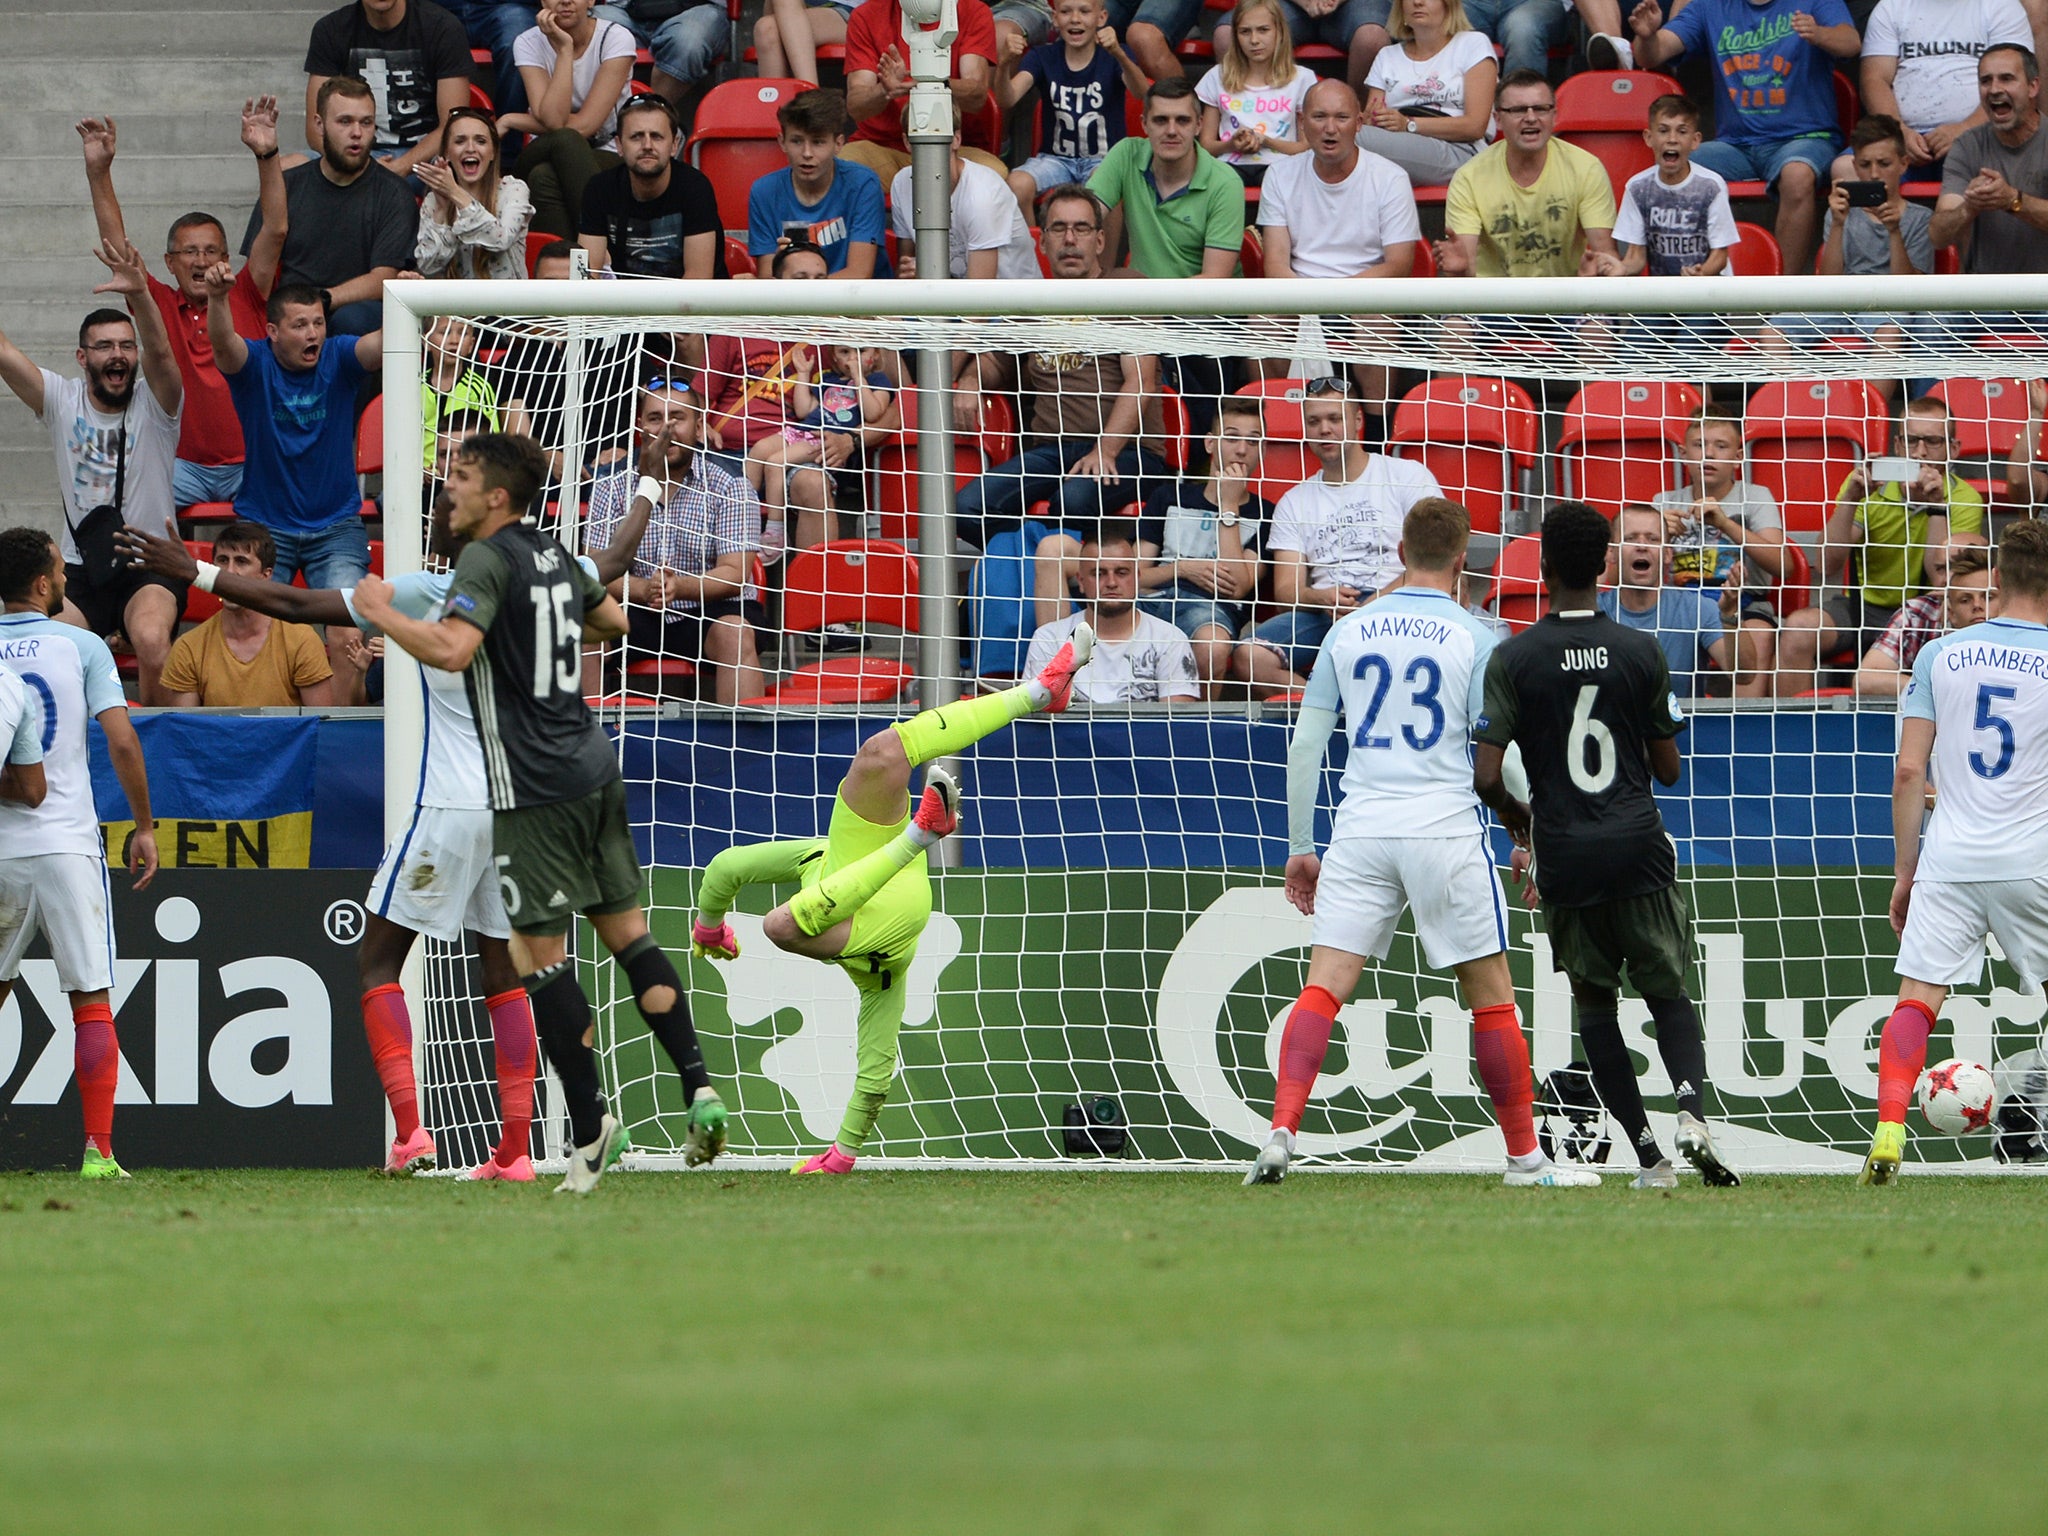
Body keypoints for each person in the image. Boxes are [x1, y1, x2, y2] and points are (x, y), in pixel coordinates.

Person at [118, 464, 663, 1177]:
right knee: (503, 972)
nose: (440, 509)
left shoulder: (424, 592)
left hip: (447, 809)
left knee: (378, 961)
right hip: (517, 810)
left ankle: (412, 1133)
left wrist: (193, 570)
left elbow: (293, 603)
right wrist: (649, 490)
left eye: (449, 501)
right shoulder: (550, 579)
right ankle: (513, 1153)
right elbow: (618, 560)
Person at [351, 433, 731, 1194]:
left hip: (521, 786)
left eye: (458, 480)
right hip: (594, 764)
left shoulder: (475, 569)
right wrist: (650, 493)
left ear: (494, 495)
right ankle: (698, 1084)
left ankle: (586, 1127)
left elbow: (454, 651)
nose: (448, 494)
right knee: (624, 937)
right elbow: (617, 619)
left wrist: (375, 612)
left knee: (538, 962)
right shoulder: (554, 557)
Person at [1244, 498, 1603, 1189]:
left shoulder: (1348, 633)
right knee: (1491, 996)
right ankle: (1525, 1158)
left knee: (1323, 989)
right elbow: (1507, 752)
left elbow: (1307, 743)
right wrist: (1529, 833)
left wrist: (1299, 845)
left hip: (1363, 828)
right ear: (1463, 558)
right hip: (1443, 827)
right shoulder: (1475, 636)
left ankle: (1282, 1130)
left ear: (1400, 552)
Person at [689, 623, 1103, 1174]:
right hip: (892, 918)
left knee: (882, 751)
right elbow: (876, 1059)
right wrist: (843, 1153)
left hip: (874, 858)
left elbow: (724, 867)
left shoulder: (817, 855)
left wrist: (709, 926)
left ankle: (1038, 692)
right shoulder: (881, 974)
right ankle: (922, 836)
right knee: (779, 927)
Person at [1473, 501, 1741, 1190]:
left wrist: (1517, 814)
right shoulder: (1640, 650)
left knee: (1596, 1007)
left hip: (1565, 850)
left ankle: (1649, 1157)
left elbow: (1483, 774)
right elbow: (1668, 769)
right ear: (1605, 566)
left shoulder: (1512, 657)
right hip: (1637, 844)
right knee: (1668, 993)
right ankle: (1691, 1114)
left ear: (1543, 567)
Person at [1861, 519, 2048, 1184]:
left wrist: (1907, 872)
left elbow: (1909, 773)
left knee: (1916, 999)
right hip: (2033, 858)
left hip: (1949, 857)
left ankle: (1888, 1128)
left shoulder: (1941, 655)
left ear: (1997, 580)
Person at [0, 528, 159, 1181]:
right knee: (90, 998)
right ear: (43, 583)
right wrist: (143, 825)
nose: (65, 576)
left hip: (2, 847)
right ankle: (98, 1152)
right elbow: (121, 741)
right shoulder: (82, 646)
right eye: (60, 570)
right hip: (66, 842)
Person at [78, 99, 288, 512]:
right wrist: (98, 172)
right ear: (170, 263)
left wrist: (266, 153)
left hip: (251, 462)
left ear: (227, 259)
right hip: (181, 467)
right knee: (129, 513)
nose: (202, 260)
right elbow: (117, 247)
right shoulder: (155, 301)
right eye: (189, 252)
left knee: (282, 525)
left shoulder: (247, 292)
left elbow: (276, 228)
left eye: (212, 251)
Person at [0, 245, 185, 705]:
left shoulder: (157, 403)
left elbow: (162, 351)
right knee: (40, 646)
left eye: (126, 345)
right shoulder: (61, 400)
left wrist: (141, 294)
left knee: (150, 637)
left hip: (151, 566)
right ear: (82, 358)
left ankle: (156, 748)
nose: (117, 355)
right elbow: (3, 352)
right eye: (104, 346)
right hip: (80, 572)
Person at [953, 187, 1168, 557]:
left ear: (1100, 240)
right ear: (1042, 243)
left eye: (1082, 228)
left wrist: (1105, 450)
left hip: (1129, 452)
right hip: (1051, 451)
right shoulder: (1032, 302)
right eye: (1058, 229)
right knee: (966, 508)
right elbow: (996, 363)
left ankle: (1064, 588)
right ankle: (1031, 569)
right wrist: (971, 379)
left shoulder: (1126, 287)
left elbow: (1141, 381)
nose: (1070, 239)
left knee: (1072, 498)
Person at [1234, 378, 1442, 695]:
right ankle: (1324, 706)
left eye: (1335, 418)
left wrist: (1373, 604)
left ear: (1357, 420)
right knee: (1249, 656)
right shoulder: (1294, 501)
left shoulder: (1406, 475)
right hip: (1325, 612)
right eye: (1314, 421)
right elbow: (1286, 590)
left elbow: (1433, 561)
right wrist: (1321, 598)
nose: (1324, 430)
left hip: (1398, 602)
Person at [1626, 0, 1860, 280]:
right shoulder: (1709, 6)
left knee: (1796, 174)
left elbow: (1851, 42)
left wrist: (1820, 34)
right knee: (1675, 162)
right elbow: (1651, 55)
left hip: (1805, 138)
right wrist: (1647, 35)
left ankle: (1783, 298)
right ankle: (1683, 286)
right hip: (1736, 146)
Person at [1779, 397, 1985, 694]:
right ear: (1898, 445)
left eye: (1933, 441)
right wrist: (1851, 499)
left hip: (1932, 608)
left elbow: (1941, 574)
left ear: (1953, 449)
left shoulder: (1965, 498)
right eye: (1911, 440)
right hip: (1864, 607)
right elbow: (1826, 563)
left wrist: (1936, 506)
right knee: (1798, 630)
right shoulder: (1870, 486)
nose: (1920, 452)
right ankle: (1792, 733)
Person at [584, 382, 769, 704]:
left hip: (709, 610)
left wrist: (677, 587)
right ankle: (581, 741)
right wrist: (643, 590)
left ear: (699, 428)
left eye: (677, 418)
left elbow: (736, 573)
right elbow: (592, 569)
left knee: (735, 633)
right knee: (582, 627)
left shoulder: (731, 483)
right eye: (655, 418)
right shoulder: (609, 485)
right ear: (640, 427)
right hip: (635, 610)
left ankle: (746, 748)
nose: (667, 428)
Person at [209, 271, 383, 597]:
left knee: (347, 625)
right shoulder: (255, 364)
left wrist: (409, 297)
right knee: (249, 618)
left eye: (318, 323)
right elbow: (222, 343)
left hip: (336, 527)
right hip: (264, 524)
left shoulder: (339, 356)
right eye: (300, 325)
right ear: (273, 331)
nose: (312, 333)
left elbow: (381, 345)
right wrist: (218, 298)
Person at [247, 76, 419, 336]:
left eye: (366, 122)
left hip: (356, 324)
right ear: (319, 124)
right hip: (288, 318)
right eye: (344, 121)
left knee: (352, 321)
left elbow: (382, 279)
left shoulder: (394, 193)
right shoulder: (288, 186)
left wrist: (319, 301)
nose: (357, 133)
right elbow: (257, 275)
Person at [1134, 396, 1273, 695]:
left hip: (1211, 611)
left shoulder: (1266, 514)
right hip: (1153, 599)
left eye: (1253, 442)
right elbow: (1134, 576)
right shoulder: (1169, 497)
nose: (1241, 450)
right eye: (1232, 438)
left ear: (1262, 450)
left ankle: (1199, 731)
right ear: (1210, 444)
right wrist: (1182, 569)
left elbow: (1237, 587)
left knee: (1213, 646)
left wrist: (1229, 507)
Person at [1649, 405, 1784, 694]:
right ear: (1683, 454)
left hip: (1743, 603)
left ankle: (1747, 726)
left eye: (1720, 446)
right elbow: (1637, 571)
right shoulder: (1664, 501)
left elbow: (1783, 565)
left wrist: (1725, 523)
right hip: (1679, 605)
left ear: (1738, 457)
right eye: (1699, 445)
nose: (1708, 454)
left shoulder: (1757, 497)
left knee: (1759, 635)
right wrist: (1659, 537)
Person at [1435, 71, 1621, 278]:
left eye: (1541, 109)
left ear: (1554, 115)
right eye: (1518, 110)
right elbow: (1465, 269)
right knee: (1453, 313)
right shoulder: (1469, 177)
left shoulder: (1586, 168)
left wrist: (1600, 274)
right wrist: (1459, 271)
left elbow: (1604, 253)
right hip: (1492, 303)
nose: (1531, 118)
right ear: (1497, 119)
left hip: (1567, 299)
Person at [999, 0, 1150, 222]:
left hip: (1104, 159)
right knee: (1016, 184)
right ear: (1055, 18)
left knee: (1107, 185)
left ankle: (1103, 259)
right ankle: (1033, 255)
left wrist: (1119, 53)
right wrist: (1003, 64)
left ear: (1102, 18)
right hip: (1055, 159)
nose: (1075, 19)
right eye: (1066, 11)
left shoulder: (1115, 55)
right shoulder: (1043, 56)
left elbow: (1142, 92)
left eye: (1085, 11)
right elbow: (1007, 98)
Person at [159, 522, 336, 707]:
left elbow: (321, 727)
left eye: (241, 562)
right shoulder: (188, 647)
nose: (229, 572)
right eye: (222, 560)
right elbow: (187, 730)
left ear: (266, 575)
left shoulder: (301, 640)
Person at [746, 341, 900, 552]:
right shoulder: (828, 379)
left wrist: (858, 378)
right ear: (834, 358)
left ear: (876, 353)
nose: (852, 358)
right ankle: (744, 520)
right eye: (845, 351)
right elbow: (804, 409)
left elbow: (874, 412)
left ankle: (776, 532)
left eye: (861, 351)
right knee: (759, 451)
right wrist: (803, 374)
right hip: (805, 430)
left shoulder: (877, 381)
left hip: (827, 441)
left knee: (774, 462)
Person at [503, 0, 638, 239]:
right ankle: (603, 248)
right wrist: (565, 51)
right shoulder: (527, 41)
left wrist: (514, 120)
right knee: (562, 142)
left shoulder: (615, 38)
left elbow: (586, 126)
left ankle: (569, 265)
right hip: (544, 147)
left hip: (606, 148)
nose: (565, 1)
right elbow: (554, 122)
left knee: (543, 177)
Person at [1859, 0, 2033, 183]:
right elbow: (1874, 79)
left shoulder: (2001, 6)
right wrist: (1898, 132)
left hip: (1986, 135)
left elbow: (2014, 84)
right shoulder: (1891, 7)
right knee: (1846, 168)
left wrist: (1965, 129)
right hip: (1904, 138)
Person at [1023, 523, 1201, 702]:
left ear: (1137, 578)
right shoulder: (1048, 639)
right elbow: (1038, 720)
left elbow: (1177, 725)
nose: (1111, 582)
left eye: (1121, 572)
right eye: (1099, 573)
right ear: (1081, 581)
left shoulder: (1171, 640)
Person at [1090, 78, 1247, 275]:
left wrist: (1150, 300)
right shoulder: (1126, 154)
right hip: (1140, 299)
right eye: (1161, 120)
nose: (1171, 131)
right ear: (1144, 124)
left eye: (1182, 120)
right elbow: (1084, 216)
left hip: (1200, 303)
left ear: (1198, 125)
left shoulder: (1226, 183)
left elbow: (1213, 281)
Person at [841, 0, 1009, 183]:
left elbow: (976, 96)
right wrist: (885, 89)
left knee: (993, 175)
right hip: (881, 147)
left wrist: (929, 82)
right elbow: (857, 105)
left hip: (953, 148)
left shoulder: (973, 10)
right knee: (841, 171)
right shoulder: (866, 15)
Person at [303, 0, 473, 179]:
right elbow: (316, 129)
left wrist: (402, 166)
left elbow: (453, 124)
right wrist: (364, 166)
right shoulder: (331, 29)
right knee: (288, 168)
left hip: (424, 157)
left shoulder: (442, 27)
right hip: (352, 154)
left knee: (455, 169)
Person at [746, 89, 892, 278]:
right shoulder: (763, 192)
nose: (807, 153)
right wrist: (780, 264)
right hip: (795, 305)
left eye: (818, 142)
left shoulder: (863, 184)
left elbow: (859, 274)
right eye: (797, 141)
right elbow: (769, 277)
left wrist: (798, 290)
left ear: (838, 144)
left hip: (857, 304)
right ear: (782, 142)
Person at [577, 96, 728, 279]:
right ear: (619, 146)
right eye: (636, 137)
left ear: (674, 145)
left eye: (656, 137)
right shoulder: (599, 189)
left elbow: (697, 282)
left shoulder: (695, 188)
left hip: (688, 304)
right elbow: (585, 277)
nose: (647, 146)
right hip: (622, 304)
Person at [1597, 504, 1735, 699]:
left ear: (1668, 554)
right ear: (1611, 553)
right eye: (1630, 538)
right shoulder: (1594, 611)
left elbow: (1742, 674)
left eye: (1652, 539)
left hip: (1684, 727)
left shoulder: (1697, 608)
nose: (1642, 546)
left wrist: (1731, 616)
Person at [1931, 43, 2048, 273]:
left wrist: (2013, 201)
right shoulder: (1967, 146)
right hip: (1986, 300)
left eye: (2006, 78)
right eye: (1986, 81)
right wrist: (1969, 207)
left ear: (2033, 86)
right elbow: (1938, 236)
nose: (1994, 89)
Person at [1356, 0, 1497, 187]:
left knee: (1343, 135)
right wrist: (1374, 118)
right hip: (1398, 142)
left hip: (1459, 150)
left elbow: (1475, 127)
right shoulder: (1387, 56)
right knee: (1343, 132)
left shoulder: (1473, 44)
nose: (1417, 2)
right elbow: (1371, 117)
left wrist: (1408, 124)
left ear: (1448, 4)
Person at [1613, 95, 1739, 276]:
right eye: (1663, 131)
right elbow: (1636, 256)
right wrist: (1621, 268)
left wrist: (1701, 273)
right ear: (1649, 137)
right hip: (1664, 297)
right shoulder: (1637, 188)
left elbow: (1719, 255)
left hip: (1709, 293)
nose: (1672, 139)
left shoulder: (1711, 186)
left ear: (1695, 141)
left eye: (1682, 131)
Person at [1195, 0, 1317, 184]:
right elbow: (1206, 146)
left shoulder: (1301, 79)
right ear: (1235, 36)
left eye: (1263, 30)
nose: (1254, 40)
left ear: (1280, 32)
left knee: (1282, 182)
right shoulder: (1217, 76)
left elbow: (1305, 148)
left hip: (1281, 164)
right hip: (1229, 165)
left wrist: (1266, 141)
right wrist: (1231, 144)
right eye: (1245, 31)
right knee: (1219, 183)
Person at [890, 134, 1044, 277]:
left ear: (957, 139)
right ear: (907, 141)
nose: (931, 147)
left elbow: (979, 294)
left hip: (1012, 300)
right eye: (920, 137)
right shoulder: (901, 183)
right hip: (950, 297)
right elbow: (905, 269)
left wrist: (928, 277)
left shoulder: (983, 192)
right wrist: (911, 274)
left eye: (938, 136)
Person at [1853, 538, 1991, 695]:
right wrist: (1934, 689)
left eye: (1956, 568)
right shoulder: (1916, 613)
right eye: (1940, 569)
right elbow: (1864, 680)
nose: (1946, 579)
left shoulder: (2013, 615)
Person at [414, 108, 533, 279]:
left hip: (506, 303)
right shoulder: (434, 200)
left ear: (493, 153)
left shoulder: (513, 190)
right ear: (447, 153)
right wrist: (441, 211)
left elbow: (501, 239)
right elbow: (428, 267)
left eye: (481, 141)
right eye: (460, 141)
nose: (470, 148)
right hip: (456, 304)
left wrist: (455, 193)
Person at [592, 0, 728, 109]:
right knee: (585, 26)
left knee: (687, 41)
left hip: (696, 9)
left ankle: (652, 118)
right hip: (624, 9)